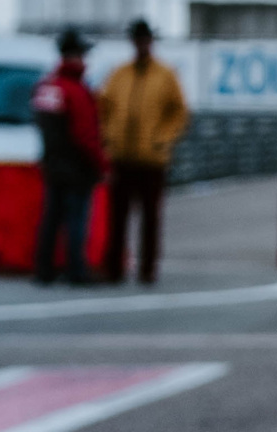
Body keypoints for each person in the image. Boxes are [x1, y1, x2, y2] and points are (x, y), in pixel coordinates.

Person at [100, 19, 189, 285]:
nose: (140, 44)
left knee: (150, 219)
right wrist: (109, 138)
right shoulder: (119, 74)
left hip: (151, 159)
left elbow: (179, 111)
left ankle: (147, 269)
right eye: (137, 40)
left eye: (144, 40)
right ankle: (114, 269)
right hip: (122, 157)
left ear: (150, 42)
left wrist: (162, 139)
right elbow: (104, 107)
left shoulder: (165, 75)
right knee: (117, 218)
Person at [31, 29, 106, 285]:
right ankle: (76, 270)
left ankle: (44, 269)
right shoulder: (76, 91)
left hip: (52, 165)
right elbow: (85, 135)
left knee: (51, 220)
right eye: (82, 56)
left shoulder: (46, 87)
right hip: (77, 168)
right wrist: (100, 164)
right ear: (73, 56)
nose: (85, 61)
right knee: (76, 221)